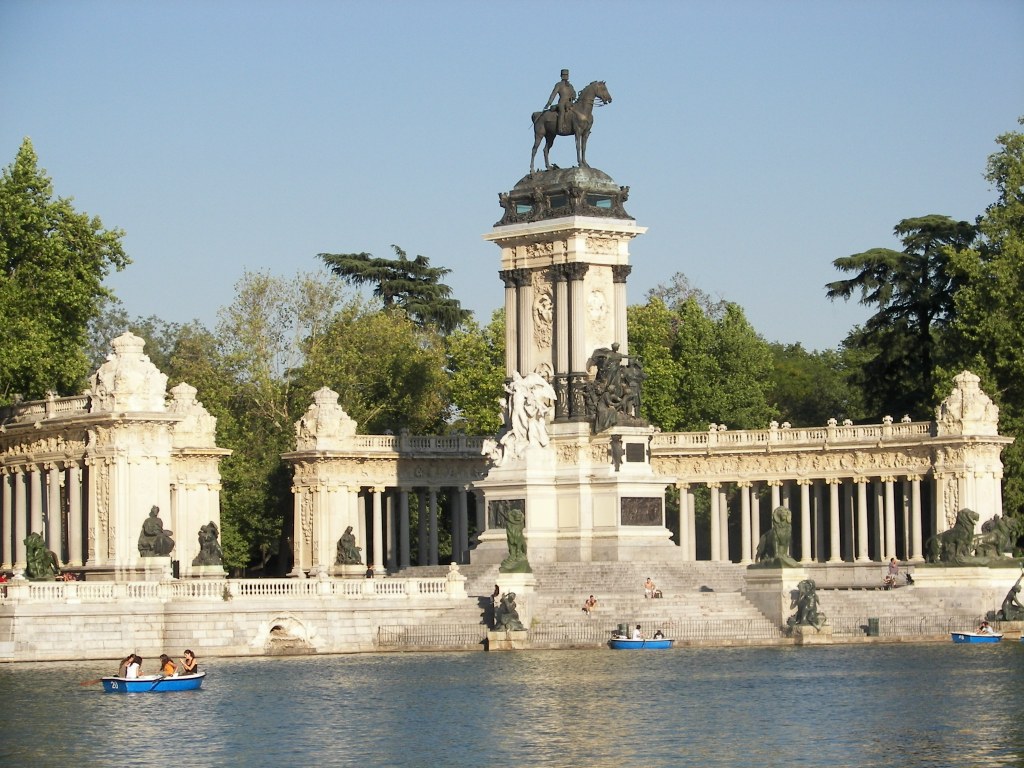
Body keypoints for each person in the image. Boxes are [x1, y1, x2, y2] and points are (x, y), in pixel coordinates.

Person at [544, 68, 576, 133]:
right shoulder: (559, 85)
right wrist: (549, 103)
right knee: (562, 112)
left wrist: (573, 96)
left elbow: (574, 93)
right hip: (561, 103)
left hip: (569, 103)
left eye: (566, 75)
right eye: (564, 75)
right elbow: (553, 94)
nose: (565, 76)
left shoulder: (570, 86)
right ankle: (560, 127)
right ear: (561, 76)